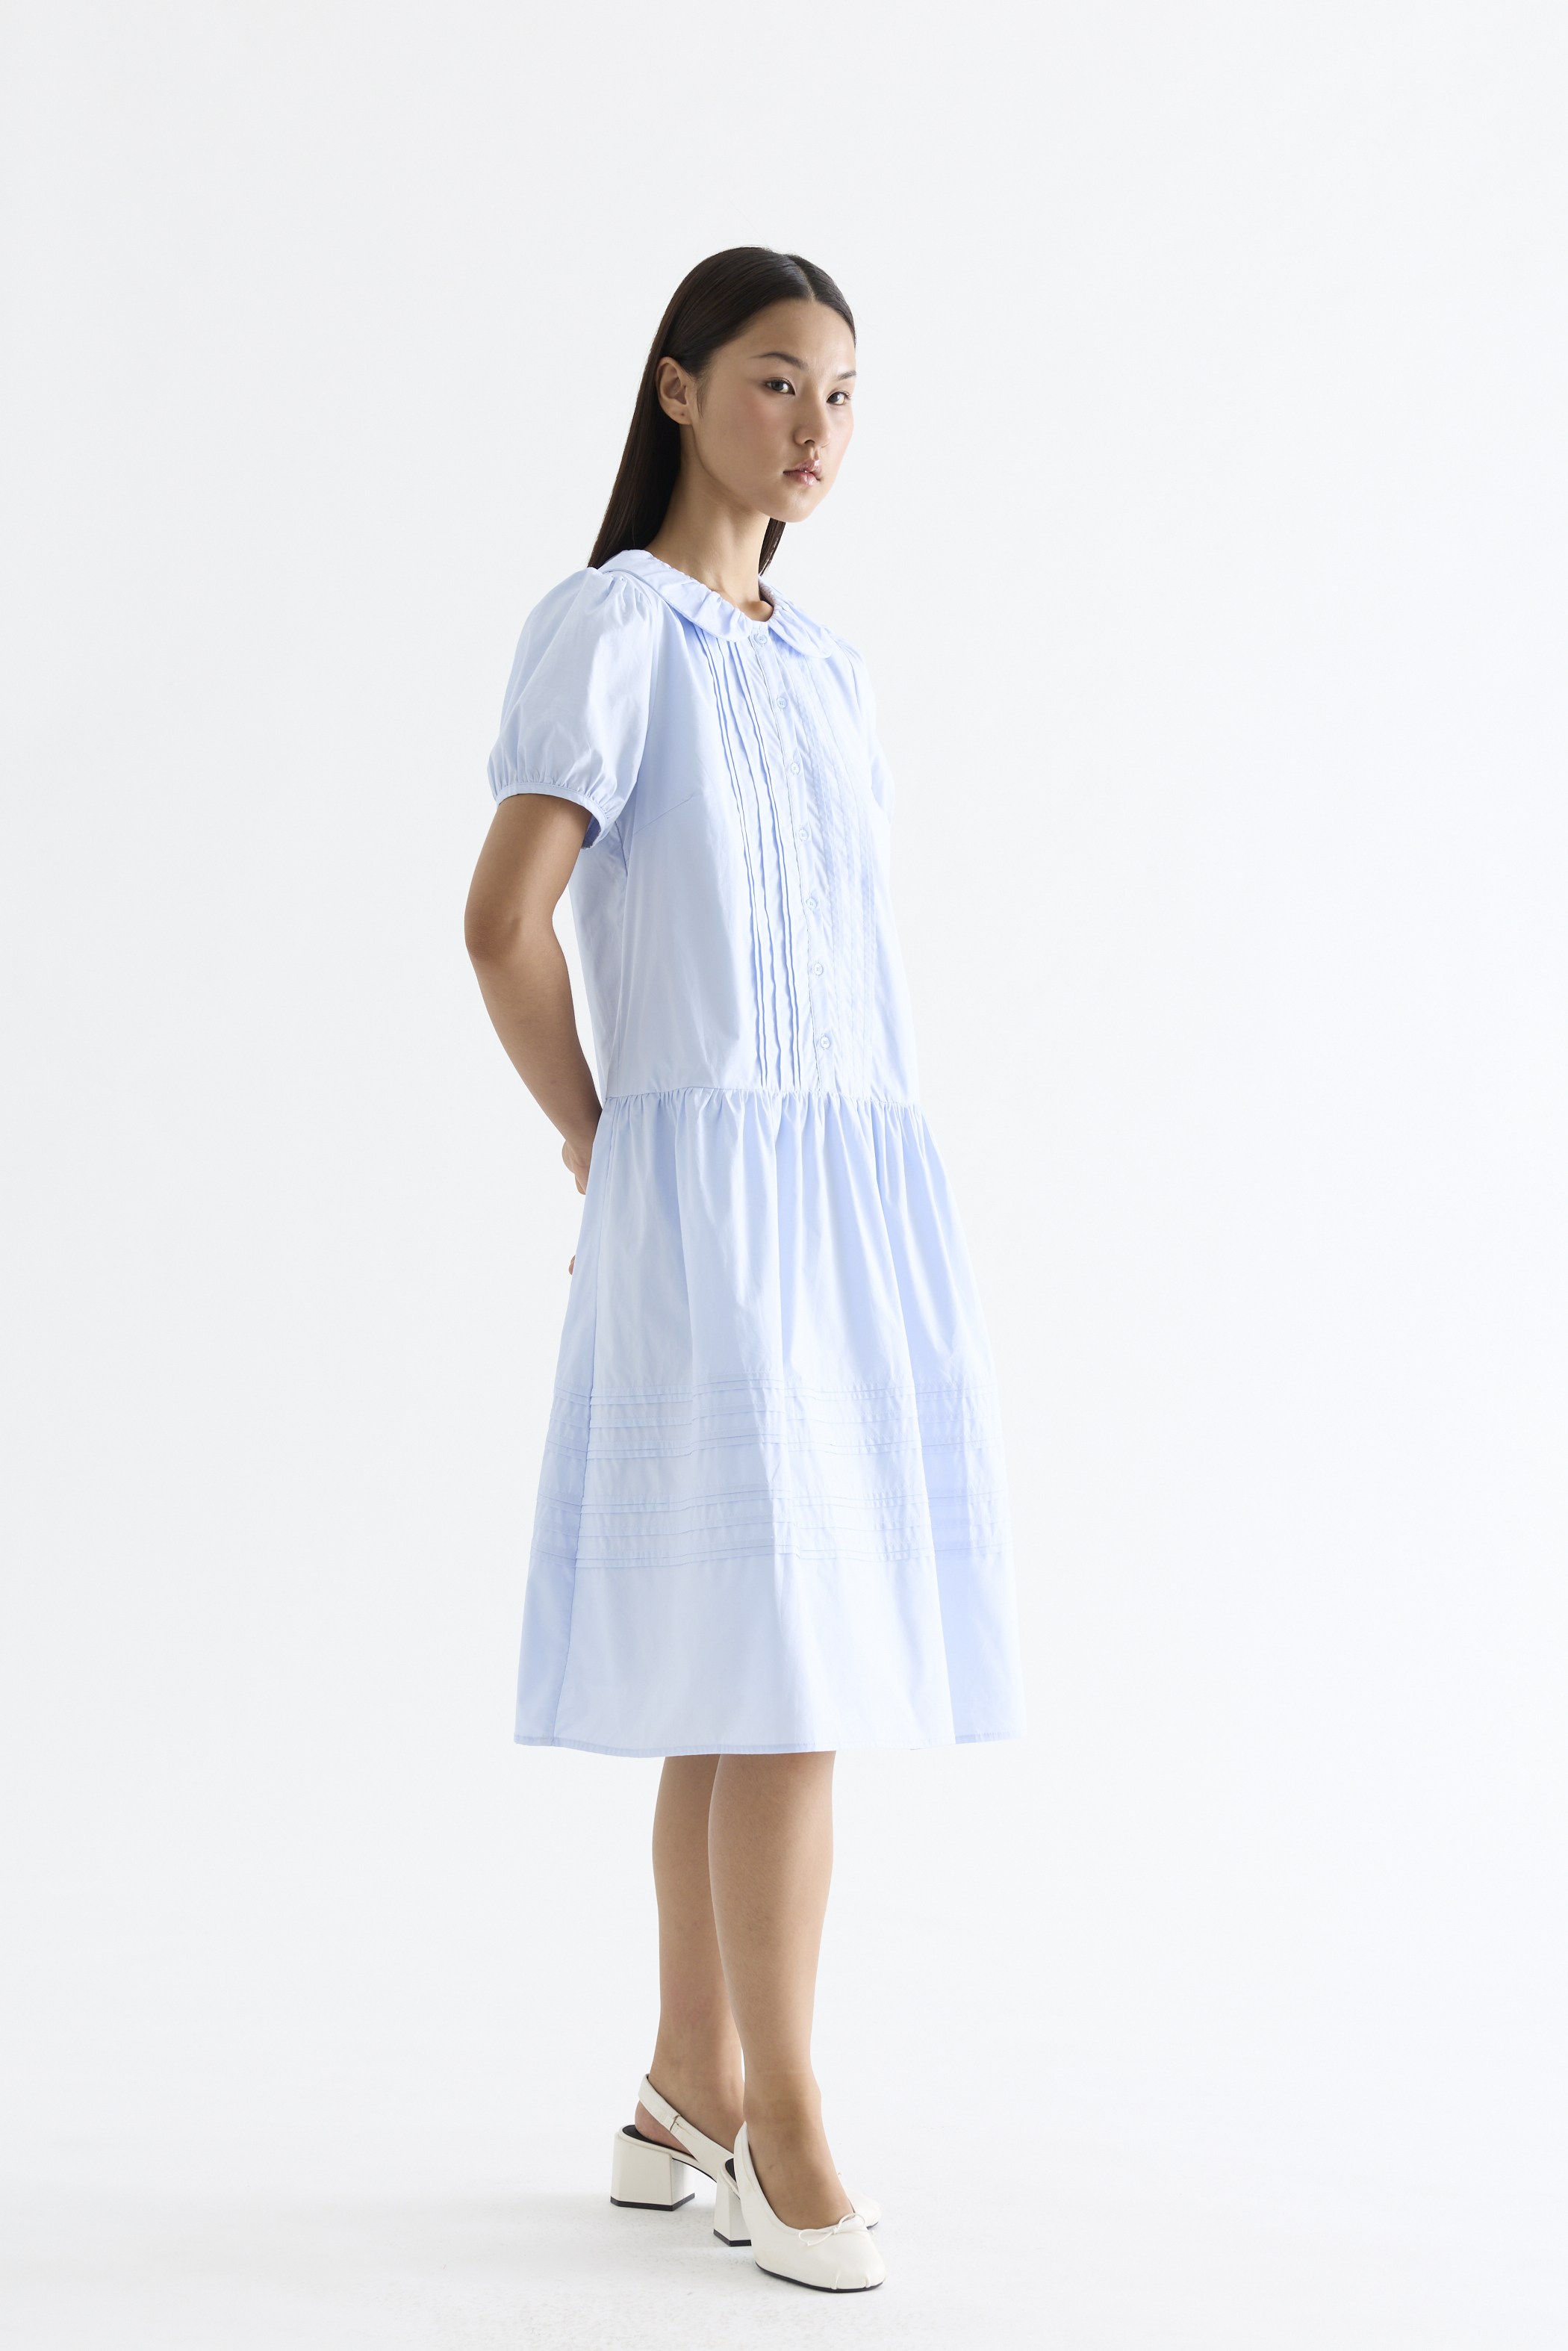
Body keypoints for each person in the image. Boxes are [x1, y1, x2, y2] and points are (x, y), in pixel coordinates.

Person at [464, 247, 1025, 2295]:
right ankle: (786, 2119)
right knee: (790, 1667)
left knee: (752, 1658)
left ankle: (682, 2087)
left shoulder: (824, 667)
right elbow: (502, 922)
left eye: (845, 394)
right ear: (680, 389)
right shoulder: (613, 626)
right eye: (779, 380)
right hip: (709, 1196)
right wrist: (600, 1134)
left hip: (846, 1189)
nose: (816, 427)